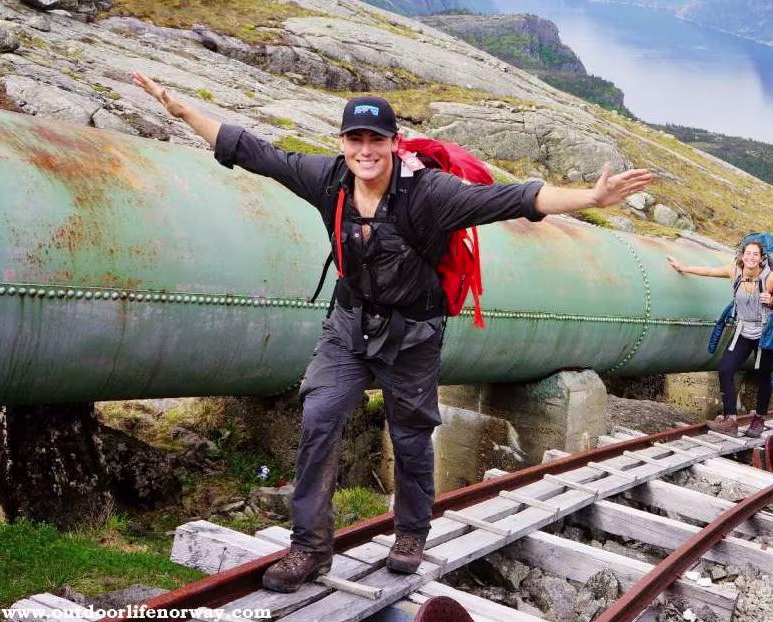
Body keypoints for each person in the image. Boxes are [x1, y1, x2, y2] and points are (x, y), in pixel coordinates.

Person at [131, 72, 654, 592]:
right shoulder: (328, 179)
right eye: (354, 139)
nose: (364, 150)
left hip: (412, 337)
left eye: (375, 139)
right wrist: (180, 110)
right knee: (319, 416)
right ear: (342, 142)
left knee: (410, 434)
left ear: (393, 143)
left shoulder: (430, 194)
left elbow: (513, 199)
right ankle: (309, 548)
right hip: (348, 327)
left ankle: (410, 533)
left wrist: (590, 198)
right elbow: (252, 151)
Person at [666, 240, 773, 438]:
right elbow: (708, 271)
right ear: (742, 256)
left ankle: (758, 420)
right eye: (747, 253)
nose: (750, 257)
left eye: (755, 254)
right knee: (725, 369)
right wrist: (683, 268)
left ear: (761, 258)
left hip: (764, 334)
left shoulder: (771, 279)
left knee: (762, 376)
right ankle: (730, 420)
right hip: (743, 330)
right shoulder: (735, 273)